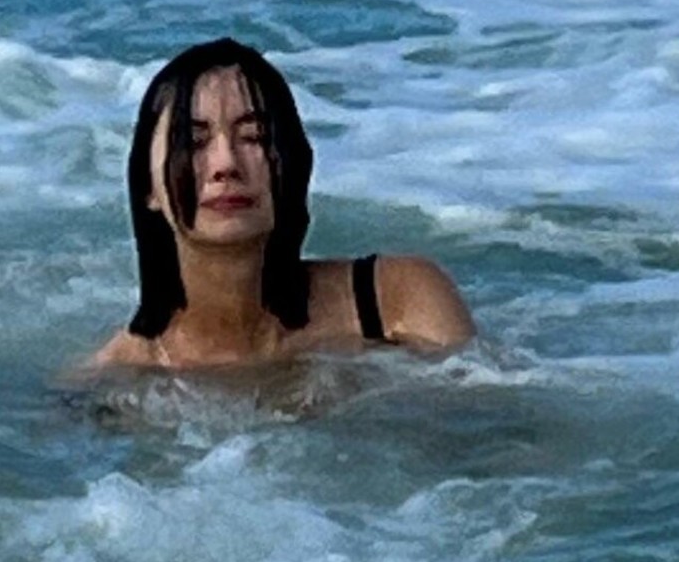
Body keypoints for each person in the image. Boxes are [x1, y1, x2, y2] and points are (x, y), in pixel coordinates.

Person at [90, 37, 476, 370]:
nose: (226, 164)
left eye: (254, 136)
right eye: (193, 142)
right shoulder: (120, 381)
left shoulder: (396, 302)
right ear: (148, 187)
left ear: (294, 165)